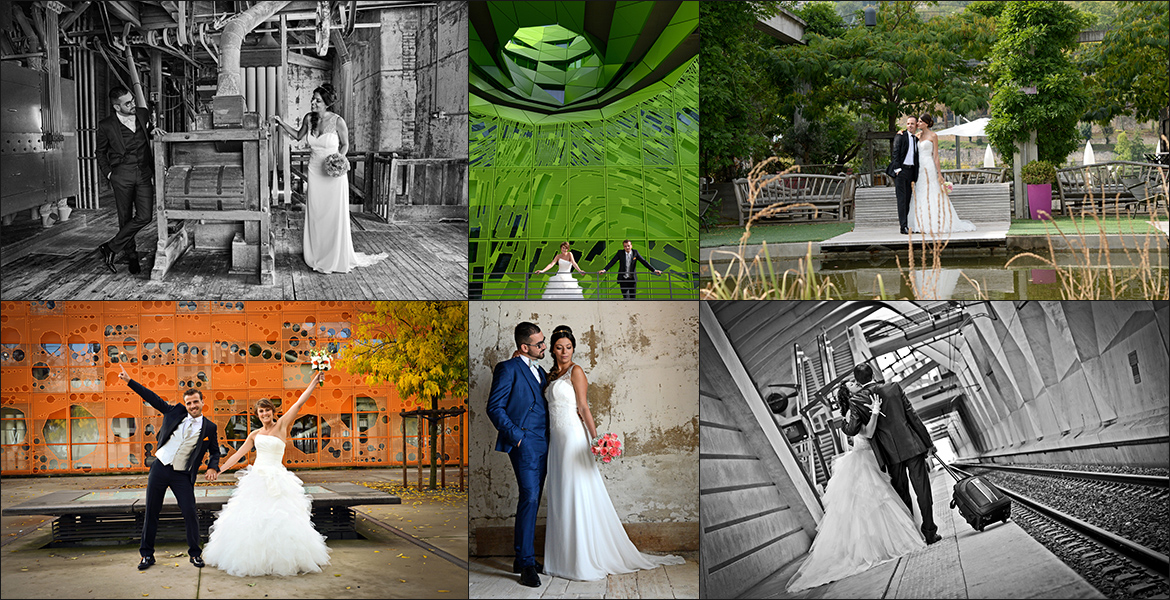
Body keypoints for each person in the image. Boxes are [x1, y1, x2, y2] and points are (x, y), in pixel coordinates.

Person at [542, 325, 685, 581]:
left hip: (574, 438)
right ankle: (562, 559)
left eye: (569, 347)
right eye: (559, 347)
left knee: (577, 492)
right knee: (561, 493)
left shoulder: (576, 371)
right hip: (556, 441)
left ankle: (582, 559)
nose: (564, 352)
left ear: (574, 348)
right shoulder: (551, 375)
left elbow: (584, 407)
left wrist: (597, 440)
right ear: (552, 349)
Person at [786, 380, 926, 592]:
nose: (855, 383)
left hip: (873, 458)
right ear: (847, 393)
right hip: (864, 460)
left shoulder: (857, 407)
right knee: (874, 505)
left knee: (883, 502)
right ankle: (880, 546)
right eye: (851, 384)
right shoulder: (851, 415)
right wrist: (876, 412)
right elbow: (868, 434)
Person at [202, 371, 331, 576]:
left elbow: (298, 403)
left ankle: (281, 560)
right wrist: (219, 469)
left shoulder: (281, 426)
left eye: (267, 411)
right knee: (253, 521)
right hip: (256, 480)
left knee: (280, 520)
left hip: (278, 479)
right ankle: (255, 560)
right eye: (261, 412)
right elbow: (238, 456)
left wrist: (315, 381)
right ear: (258, 414)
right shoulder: (254, 434)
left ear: (273, 412)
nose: (265, 414)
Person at [272, 84, 387, 274]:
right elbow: (298, 136)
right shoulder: (310, 119)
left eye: (317, 100)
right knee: (316, 213)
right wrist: (281, 123)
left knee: (333, 214)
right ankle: (316, 254)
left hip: (333, 174)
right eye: (313, 99)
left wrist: (338, 160)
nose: (313, 102)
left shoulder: (338, 121)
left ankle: (334, 256)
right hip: (314, 170)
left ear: (326, 103)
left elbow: (345, 144)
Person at [118, 363, 219, 570]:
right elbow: (152, 397)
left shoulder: (210, 427)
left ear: (202, 402)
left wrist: (212, 467)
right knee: (152, 511)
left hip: (182, 474)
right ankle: (146, 555)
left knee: (190, 511)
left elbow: (215, 451)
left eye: (195, 402)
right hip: (160, 467)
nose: (192, 406)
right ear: (185, 404)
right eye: (189, 403)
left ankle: (195, 554)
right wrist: (129, 382)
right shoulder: (174, 412)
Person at [847, 363, 943, 544]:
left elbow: (853, 429)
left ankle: (913, 535)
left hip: (888, 454)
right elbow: (912, 416)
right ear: (874, 374)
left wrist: (843, 425)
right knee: (922, 490)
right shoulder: (893, 387)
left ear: (858, 381)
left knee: (902, 494)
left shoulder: (856, 401)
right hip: (911, 446)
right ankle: (930, 532)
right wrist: (928, 443)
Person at [485, 322, 549, 587]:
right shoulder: (507, 368)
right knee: (530, 498)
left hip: (546, 442)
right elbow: (494, 407)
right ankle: (525, 563)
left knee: (534, 500)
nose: (544, 347)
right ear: (524, 347)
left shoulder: (542, 370)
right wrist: (518, 437)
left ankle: (522, 556)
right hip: (525, 442)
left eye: (544, 341)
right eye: (539, 343)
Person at [96, 86, 166, 275]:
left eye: (133, 100)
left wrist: (154, 129)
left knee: (145, 216)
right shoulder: (106, 125)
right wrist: (110, 174)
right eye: (128, 103)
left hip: (143, 173)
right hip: (122, 175)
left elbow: (148, 128)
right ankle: (132, 256)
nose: (133, 104)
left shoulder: (142, 114)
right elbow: (100, 152)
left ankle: (110, 247)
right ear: (117, 107)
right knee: (125, 218)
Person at [908, 114, 976, 235]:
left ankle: (937, 222)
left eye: (920, 121)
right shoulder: (917, 136)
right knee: (920, 192)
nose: (918, 123)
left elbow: (935, 156)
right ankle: (920, 223)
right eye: (917, 121)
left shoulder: (933, 136)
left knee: (933, 192)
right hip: (919, 167)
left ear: (927, 123)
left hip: (928, 166)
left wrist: (939, 174)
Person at [885, 115, 919, 235]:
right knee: (902, 200)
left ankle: (907, 224)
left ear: (916, 126)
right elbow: (895, 153)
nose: (910, 125)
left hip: (911, 172)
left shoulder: (916, 139)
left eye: (912, 124)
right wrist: (898, 169)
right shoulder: (901, 136)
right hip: (901, 171)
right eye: (908, 123)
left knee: (908, 198)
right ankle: (902, 227)